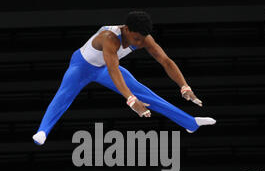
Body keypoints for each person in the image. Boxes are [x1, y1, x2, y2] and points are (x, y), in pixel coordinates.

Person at [32, 11, 216, 145]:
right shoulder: (109, 38)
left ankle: (190, 123)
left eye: (141, 39)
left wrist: (184, 86)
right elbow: (113, 69)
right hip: (82, 66)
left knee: (147, 95)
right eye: (135, 38)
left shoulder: (144, 39)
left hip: (105, 68)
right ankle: (43, 130)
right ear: (126, 29)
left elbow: (166, 61)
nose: (138, 44)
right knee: (63, 96)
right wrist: (131, 100)